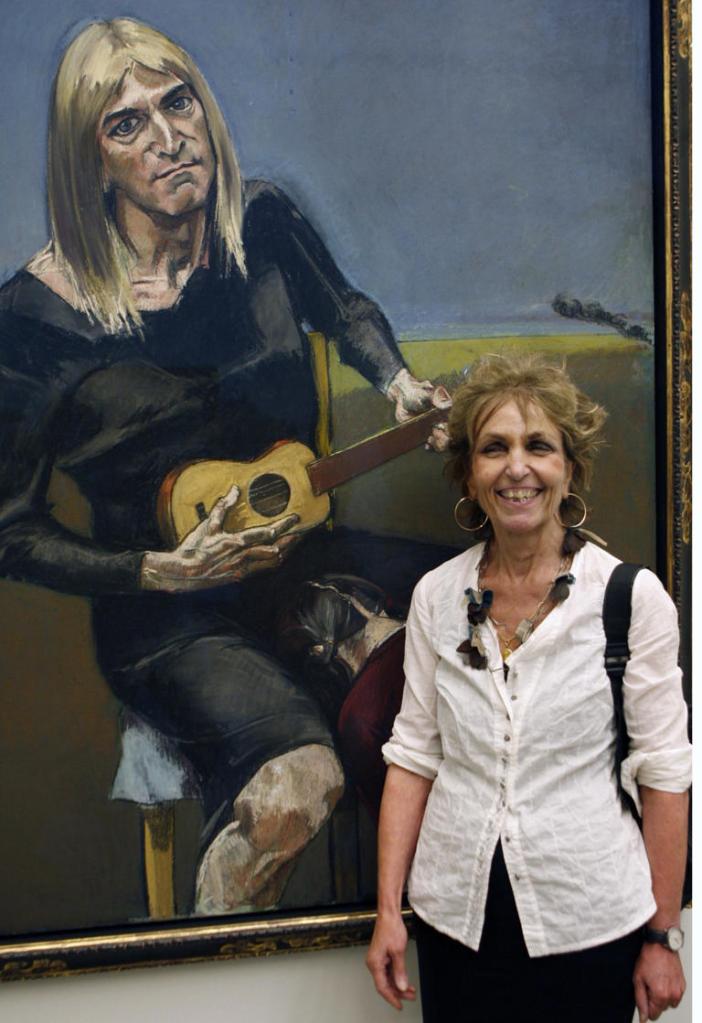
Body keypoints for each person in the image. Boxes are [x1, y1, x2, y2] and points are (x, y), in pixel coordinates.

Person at [0, 17, 451, 916]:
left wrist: (399, 383)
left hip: (305, 558)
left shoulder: (263, 223)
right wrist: (155, 570)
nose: (168, 138)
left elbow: (347, 310)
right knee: (298, 787)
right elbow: (9, 530)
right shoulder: (36, 317)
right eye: (126, 124)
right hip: (167, 616)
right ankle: (215, 964)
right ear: (91, 164)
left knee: (493, 631)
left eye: (179, 104)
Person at [366, 353, 691, 1023]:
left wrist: (662, 936)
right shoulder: (436, 597)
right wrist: (389, 912)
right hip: (455, 925)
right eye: (495, 448)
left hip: (590, 925)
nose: (517, 467)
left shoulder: (630, 599)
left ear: (569, 468)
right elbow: (414, 757)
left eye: (538, 446)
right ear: (470, 473)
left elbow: (665, 773)